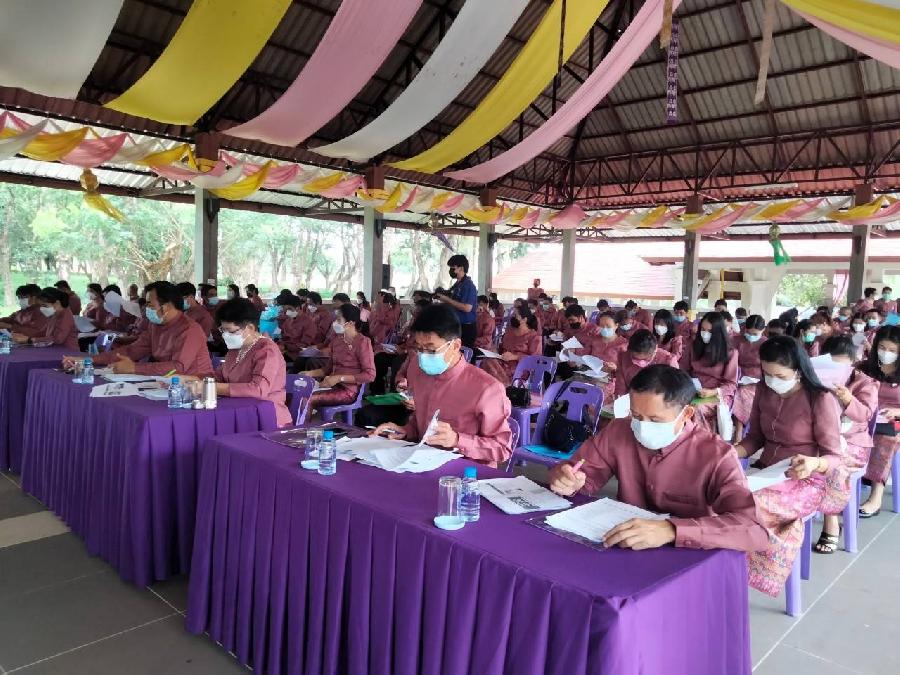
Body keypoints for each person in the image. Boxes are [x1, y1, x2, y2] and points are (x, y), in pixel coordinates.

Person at [548, 365, 768, 552]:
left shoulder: (716, 455)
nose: (643, 427)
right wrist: (566, 478)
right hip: (626, 543)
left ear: (686, 414)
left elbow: (753, 529)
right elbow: (580, 473)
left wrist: (673, 529)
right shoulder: (619, 431)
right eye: (636, 416)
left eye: (655, 420)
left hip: (685, 552)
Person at [735, 336, 842, 596]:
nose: (772, 381)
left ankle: (739, 572)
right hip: (766, 472)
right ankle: (728, 567)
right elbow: (755, 438)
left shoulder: (820, 399)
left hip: (805, 480)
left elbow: (834, 457)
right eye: (767, 374)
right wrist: (729, 451)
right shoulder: (764, 390)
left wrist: (814, 463)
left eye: (779, 376)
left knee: (748, 506)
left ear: (798, 370)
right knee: (720, 497)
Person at [371, 305, 512, 467]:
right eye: (419, 349)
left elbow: (502, 448)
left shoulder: (487, 388)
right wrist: (406, 430)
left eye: (431, 350)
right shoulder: (419, 371)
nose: (424, 356)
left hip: (466, 472)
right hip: (421, 462)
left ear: (455, 346)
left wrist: (457, 440)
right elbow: (420, 422)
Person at [811, 335, 878, 552]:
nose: (837, 371)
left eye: (842, 366)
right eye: (831, 365)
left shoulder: (865, 382)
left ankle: (831, 524)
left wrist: (848, 399)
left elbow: (865, 414)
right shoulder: (815, 378)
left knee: (833, 466)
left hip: (853, 442)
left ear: (853, 362)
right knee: (799, 458)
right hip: (822, 437)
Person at [180, 299, 291, 427]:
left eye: (231, 331)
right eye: (223, 330)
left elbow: (258, 389)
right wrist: (188, 379)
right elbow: (217, 378)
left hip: (266, 417)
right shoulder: (235, 349)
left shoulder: (267, 350)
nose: (225, 335)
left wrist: (210, 387)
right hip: (238, 411)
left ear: (250, 328)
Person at [70, 281, 212, 375]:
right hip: (163, 384)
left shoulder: (190, 329)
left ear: (166, 307)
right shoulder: (155, 326)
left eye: (150, 305)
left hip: (195, 389)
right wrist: (89, 360)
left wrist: (134, 368)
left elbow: (178, 368)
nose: (145, 309)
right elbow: (131, 351)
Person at [859, 326, 900, 517]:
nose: (886, 353)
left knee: (885, 439)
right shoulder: (865, 368)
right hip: (868, 417)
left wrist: (897, 412)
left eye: (892, 350)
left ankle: (876, 496)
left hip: (896, 421)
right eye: (882, 348)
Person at [302, 304, 375, 410]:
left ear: (351, 323)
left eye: (339, 320)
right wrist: (309, 374)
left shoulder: (363, 342)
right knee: (298, 393)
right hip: (332, 386)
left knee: (308, 399)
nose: (335, 323)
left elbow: (370, 375)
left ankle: (302, 421)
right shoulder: (337, 341)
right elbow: (327, 369)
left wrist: (339, 378)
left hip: (348, 391)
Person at [680, 311, 739, 434]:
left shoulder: (730, 353)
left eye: (710, 331)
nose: (705, 334)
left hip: (717, 394)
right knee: (672, 402)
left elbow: (731, 384)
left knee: (695, 409)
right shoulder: (693, 346)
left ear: (718, 333)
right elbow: (683, 370)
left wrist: (713, 392)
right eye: (703, 329)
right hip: (693, 390)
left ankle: (701, 439)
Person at [481, 304, 541, 387]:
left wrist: (515, 357)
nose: (512, 317)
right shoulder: (509, 331)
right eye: (512, 314)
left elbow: (535, 359)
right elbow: (501, 348)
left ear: (524, 319)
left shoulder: (534, 336)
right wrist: (494, 350)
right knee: (486, 362)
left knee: (492, 368)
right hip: (503, 362)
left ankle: (505, 387)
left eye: (515, 315)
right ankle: (501, 387)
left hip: (520, 367)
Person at [731, 314, 767, 441]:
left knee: (743, 393)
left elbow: (767, 367)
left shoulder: (766, 344)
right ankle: (738, 429)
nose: (751, 336)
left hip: (758, 381)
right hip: (736, 376)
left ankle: (739, 430)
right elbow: (731, 362)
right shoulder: (736, 341)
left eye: (755, 334)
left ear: (763, 330)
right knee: (736, 392)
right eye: (748, 332)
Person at [614, 329, 678, 397]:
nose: (641, 362)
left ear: (654, 350)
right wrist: (621, 399)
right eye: (635, 358)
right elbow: (621, 386)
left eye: (646, 359)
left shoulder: (668, 361)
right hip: (633, 398)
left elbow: (674, 389)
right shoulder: (623, 357)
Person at [12, 287, 77, 349]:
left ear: (57, 303)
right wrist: (24, 336)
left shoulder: (65, 314)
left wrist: (30, 339)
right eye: (41, 306)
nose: (42, 308)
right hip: (54, 349)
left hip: (68, 352)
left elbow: (58, 339)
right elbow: (42, 332)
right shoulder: (53, 314)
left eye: (44, 305)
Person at [435, 254, 478, 349]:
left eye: (453, 268)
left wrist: (447, 300)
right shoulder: (457, 285)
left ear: (461, 268)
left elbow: (467, 308)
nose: (450, 270)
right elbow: (453, 302)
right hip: (456, 325)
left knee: (463, 354)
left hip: (466, 327)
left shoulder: (469, 286)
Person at [276, 294, 306, 361]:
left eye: (289, 309)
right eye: (286, 310)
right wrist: (280, 344)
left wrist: (286, 347)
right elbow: (283, 337)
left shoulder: (307, 323)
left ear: (297, 308)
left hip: (296, 354)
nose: (287, 312)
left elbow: (304, 345)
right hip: (285, 349)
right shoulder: (289, 320)